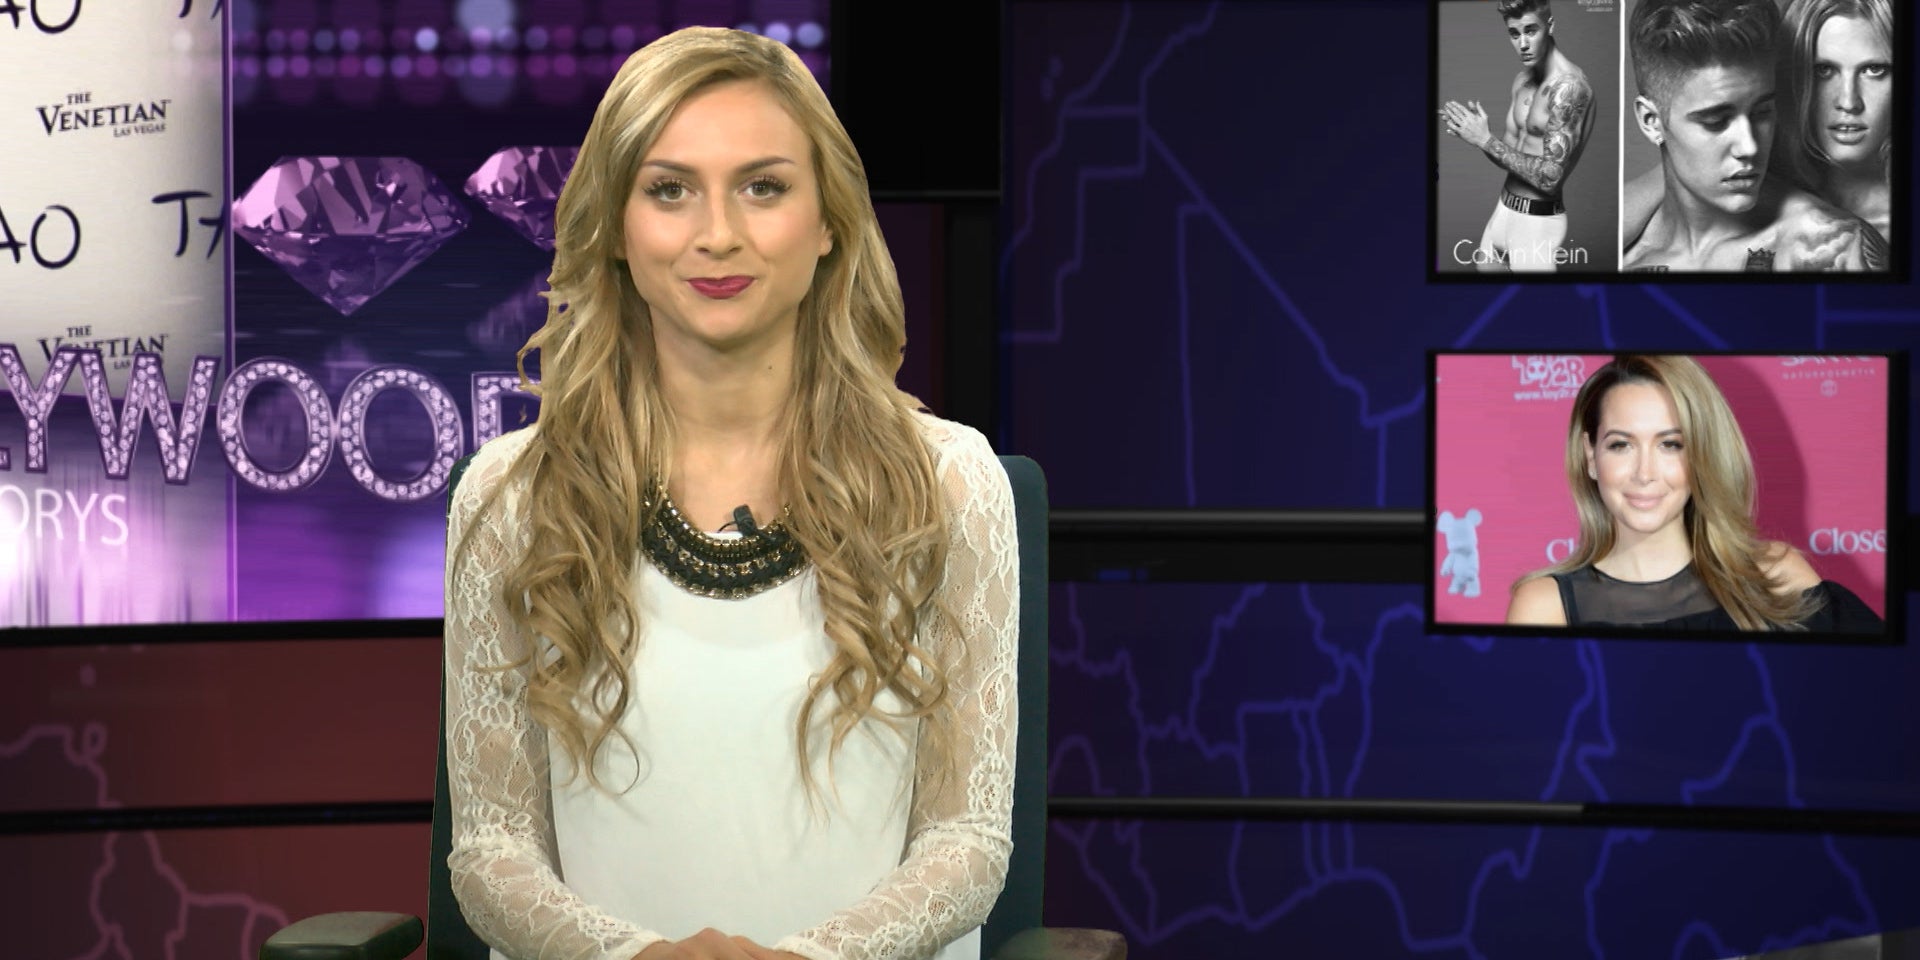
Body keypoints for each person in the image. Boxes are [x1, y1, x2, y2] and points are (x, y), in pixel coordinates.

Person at [443, 27, 1018, 960]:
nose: (718, 234)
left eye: (763, 187)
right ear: (616, 228)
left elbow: (969, 842)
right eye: (670, 190)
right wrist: (639, 959)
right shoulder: (514, 496)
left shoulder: (949, 484)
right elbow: (491, 852)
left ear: (829, 221)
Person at [1506, 355, 1884, 632]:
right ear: (1591, 457)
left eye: (1670, 445)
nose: (1644, 473)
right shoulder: (1545, 608)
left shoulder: (1775, 578)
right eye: (1621, 445)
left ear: (1702, 454)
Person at [1620, 0, 1887, 272]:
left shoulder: (1829, 249)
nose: (1749, 146)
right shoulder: (1622, 251)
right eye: (1716, 122)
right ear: (1651, 122)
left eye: (1762, 113)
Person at [1440, 0, 1597, 272]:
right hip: (1503, 210)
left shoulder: (1569, 88)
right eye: (1514, 34)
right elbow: (1509, 156)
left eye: (1530, 31)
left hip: (1536, 224)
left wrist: (1486, 140)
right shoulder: (1522, 81)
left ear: (1550, 26)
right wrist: (1477, 133)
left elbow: (1550, 177)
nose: (1522, 44)